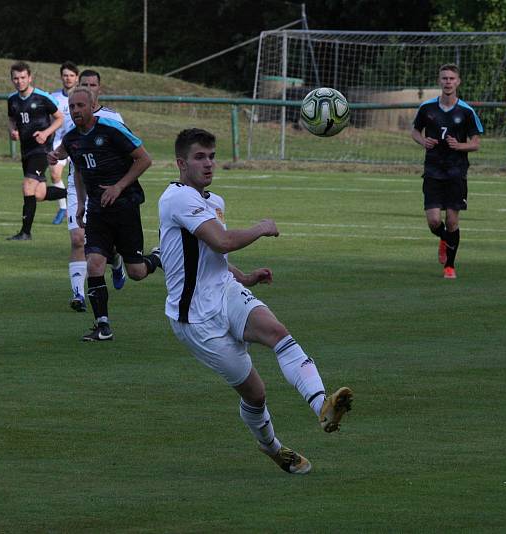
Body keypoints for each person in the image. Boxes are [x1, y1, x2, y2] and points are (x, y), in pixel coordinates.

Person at [157, 128, 353, 475]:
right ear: (181, 163)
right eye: (199, 157)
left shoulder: (213, 201)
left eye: (212, 156)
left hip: (225, 293)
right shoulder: (177, 198)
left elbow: (209, 257)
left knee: (278, 332)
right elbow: (222, 242)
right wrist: (262, 227)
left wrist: (243, 277)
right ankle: (272, 448)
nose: (208, 164)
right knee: (256, 394)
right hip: (196, 319)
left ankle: (323, 405)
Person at [48, 87, 161, 341]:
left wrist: (119, 187)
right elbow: (74, 166)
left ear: (91, 107)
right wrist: (80, 204)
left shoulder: (111, 129)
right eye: (72, 107)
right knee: (95, 262)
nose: (76, 110)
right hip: (97, 210)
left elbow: (144, 159)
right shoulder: (72, 138)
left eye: (80, 106)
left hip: (124, 207)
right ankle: (102, 326)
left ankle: (156, 257)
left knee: (137, 272)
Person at [64, 69, 129, 312]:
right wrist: (54, 154)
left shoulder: (113, 118)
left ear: (99, 89)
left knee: (104, 244)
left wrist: (119, 184)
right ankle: (78, 294)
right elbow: (66, 144)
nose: (89, 88)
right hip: (78, 182)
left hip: (105, 186)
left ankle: (116, 258)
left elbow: (129, 150)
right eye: (84, 84)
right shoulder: (72, 112)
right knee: (78, 238)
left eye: (93, 84)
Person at [411, 64, 483, 279]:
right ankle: (444, 239)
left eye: (452, 78)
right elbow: (414, 131)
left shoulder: (466, 111)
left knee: (452, 221)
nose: (448, 82)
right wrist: (423, 141)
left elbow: (476, 143)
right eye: (444, 78)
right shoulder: (427, 108)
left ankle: (450, 266)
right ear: (439, 81)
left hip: (456, 171)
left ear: (458, 82)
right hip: (433, 169)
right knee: (434, 221)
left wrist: (459, 146)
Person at [6, 61, 67, 241]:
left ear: (30, 78)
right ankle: (74, 194)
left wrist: (46, 132)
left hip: (42, 150)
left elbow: (59, 118)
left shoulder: (41, 97)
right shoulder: (12, 99)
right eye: (15, 78)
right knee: (38, 194)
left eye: (23, 77)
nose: (19, 81)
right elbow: (11, 119)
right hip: (26, 151)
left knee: (27, 187)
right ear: (12, 80)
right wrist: (13, 131)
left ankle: (25, 232)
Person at [48, 61, 79, 225]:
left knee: (79, 178)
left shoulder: (82, 96)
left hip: (79, 142)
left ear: (77, 78)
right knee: (55, 174)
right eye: (65, 75)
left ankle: (79, 209)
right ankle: (63, 208)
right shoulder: (53, 97)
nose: (68, 78)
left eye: (71, 75)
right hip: (60, 141)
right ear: (61, 77)